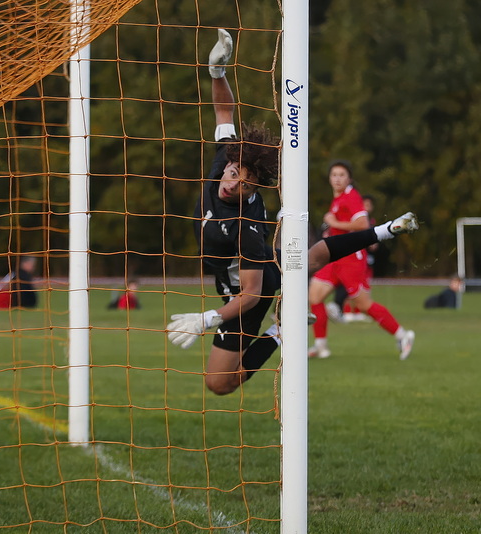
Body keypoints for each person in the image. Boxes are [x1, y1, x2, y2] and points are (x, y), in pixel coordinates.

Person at [165, 29, 420, 396]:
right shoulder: (227, 159)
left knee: (219, 383)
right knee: (309, 257)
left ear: (255, 190)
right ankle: (385, 230)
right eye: (233, 175)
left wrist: (206, 320)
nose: (232, 184)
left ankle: (279, 331)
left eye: (244, 185)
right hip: (250, 269)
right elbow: (224, 110)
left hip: (246, 291)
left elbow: (251, 294)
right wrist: (217, 72)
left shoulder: (246, 228)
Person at [308, 161, 415, 360]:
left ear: (349, 178)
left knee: (364, 304)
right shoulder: (338, 198)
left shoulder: (351, 196)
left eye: (342, 175)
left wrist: (334, 223)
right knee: (314, 296)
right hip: (335, 258)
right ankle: (321, 346)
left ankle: (403, 335)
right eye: (334, 175)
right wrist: (331, 230)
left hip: (351, 258)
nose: (337, 178)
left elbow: (363, 224)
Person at [326, 194, 377, 323]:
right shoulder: (353, 220)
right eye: (364, 205)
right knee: (349, 286)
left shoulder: (368, 221)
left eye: (369, 205)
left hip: (361, 257)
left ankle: (349, 309)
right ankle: (343, 309)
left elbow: (373, 245)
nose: (366, 208)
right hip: (350, 256)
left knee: (359, 288)